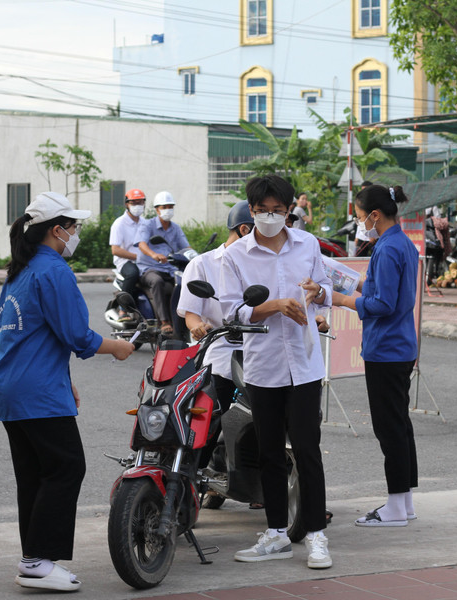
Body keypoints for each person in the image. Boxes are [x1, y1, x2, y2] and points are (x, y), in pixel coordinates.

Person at [0, 191, 135, 592]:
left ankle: (34, 559)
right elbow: (76, 335)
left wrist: (61, 375)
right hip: (35, 390)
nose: (77, 234)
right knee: (66, 467)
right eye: (74, 227)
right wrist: (118, 347)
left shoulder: (20, 271)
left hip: (13, 387)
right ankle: (37, 561)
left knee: (36, 476)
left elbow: (31, 335)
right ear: (57, 230)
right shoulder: (53, 271)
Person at [220, 174, 333, 570]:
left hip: (303, 365)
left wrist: (318, 295)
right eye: (263, 211)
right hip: (263, 366)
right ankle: (275, 534)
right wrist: (276, 305)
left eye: (279, 211)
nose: (271, 217)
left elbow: (325, 289)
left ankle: (316, 536)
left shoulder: (308, 244)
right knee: (268, 452)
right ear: (251, 212)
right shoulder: (235, 256)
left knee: (306, 450)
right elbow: (230, 311)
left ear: (290, 211)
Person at [332, 185, 420, 527]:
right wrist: (350, 283)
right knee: (400, 425)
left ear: (374, 215)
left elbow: (382, 304)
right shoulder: (402, 244)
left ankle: (395, 507)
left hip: (385, 349)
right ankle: (404, 502)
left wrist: (341, 300)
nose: (358, 223)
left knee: (390, 428)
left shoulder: (386, 249)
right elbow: (383, 290)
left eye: (358, 216)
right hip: (400, 346)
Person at [177, 201, 254, 471]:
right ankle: (191, 476)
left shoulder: (263, 265)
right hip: (221, 350)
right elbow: (190, 313)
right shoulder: (203, 264)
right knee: (212, 412)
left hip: (260, 350)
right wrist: (197, 324)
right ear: (245, 230)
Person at [136, 191, 190, 337]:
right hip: (150, 268)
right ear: (157, 209)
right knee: (157, 281)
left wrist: (196, 256)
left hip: (170, 269)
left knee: (181, 286)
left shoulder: (176, 228)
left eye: (170, 206)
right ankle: (164, 321)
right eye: (164, 207)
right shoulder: (148, 225)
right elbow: (141, 244)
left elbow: (186, 247)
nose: (168, 210)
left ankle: (180, 321)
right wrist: (154, 254)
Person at [109, 188, 147, 320]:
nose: (137, 206)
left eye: (140, 202)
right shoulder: (119, 224)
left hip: (145, 262)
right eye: (134, 203)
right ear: (127, 204)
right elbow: (115, 250)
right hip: (125, 262)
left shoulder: (145, 223)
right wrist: (138, 257)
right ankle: (123, 309)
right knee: (132, 273)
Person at [354, 181, 376, 256]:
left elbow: (376, 220)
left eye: (365, 190)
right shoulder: (360, 202)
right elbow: (359, 219)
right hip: (362, 238)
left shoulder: (376, 202)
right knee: (358, 260)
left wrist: (373, 236)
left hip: (373, 238)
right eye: (362, 190)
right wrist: (357, 237)